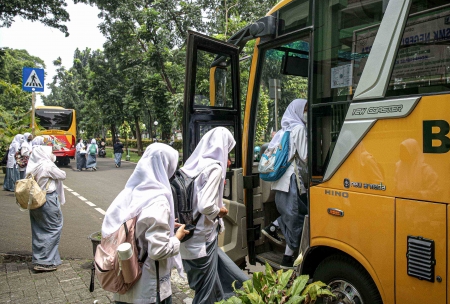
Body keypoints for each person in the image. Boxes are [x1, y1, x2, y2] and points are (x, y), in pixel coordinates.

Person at [101, 143, 189, 304]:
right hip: (148, 289)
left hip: (125, 281)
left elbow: (134, 226)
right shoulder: (158, 201)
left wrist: (165, 226)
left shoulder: (131, 192)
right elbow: (158, 250)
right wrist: (177, 237)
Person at [179, 127, 248, 304]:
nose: (229, 158)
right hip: (202, 238)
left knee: (214, 283)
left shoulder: (192, 165)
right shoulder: (214, 168)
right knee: (205, 293)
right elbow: (205, 205)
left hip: (189, 236)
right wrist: (220, 211)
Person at [261, 99, 308, 270]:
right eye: (306, 109)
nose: (307, 113)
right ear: (297, 111)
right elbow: (306, 157)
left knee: (294, 216)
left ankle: (274, 226)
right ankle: (288, 259)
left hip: (279, 182)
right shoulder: (299, 129)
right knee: (298, 219)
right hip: (292, 182)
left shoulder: (283, 130)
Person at [26, 146, 66, 272]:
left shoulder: (32, 165)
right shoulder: (47, 165)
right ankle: (45, 261)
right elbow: (62, 175)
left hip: (34, 200)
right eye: (50, 152)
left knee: (39, 229)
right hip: (47, 199)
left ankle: (46, 259)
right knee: (54, 227)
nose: (52, 154)